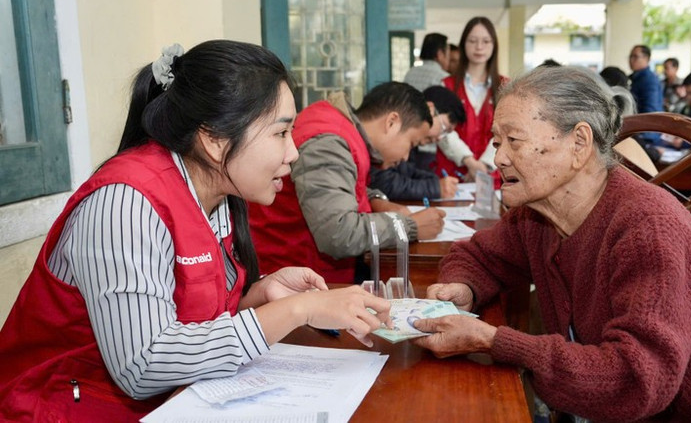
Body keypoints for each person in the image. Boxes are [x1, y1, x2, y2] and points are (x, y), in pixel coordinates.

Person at [0, 41, 392, 421]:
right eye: (280, 133)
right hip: (54, 409)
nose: (293, 152)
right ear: (215, 140)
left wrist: (257, 295)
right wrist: (296, 310)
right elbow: (143, 365)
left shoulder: (216, 193)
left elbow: (183, 317)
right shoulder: (124, 202)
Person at [413, 66, 691, 421]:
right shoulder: (538, 214)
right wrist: (462, 287)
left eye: (513, 140)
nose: (499, 158)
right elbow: (478, 256)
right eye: (497, 142)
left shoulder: (648, 228)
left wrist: (496, 341)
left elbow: (637, 378)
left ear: (579, 143)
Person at [248, 82, 445, 284]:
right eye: (411, 144)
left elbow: (343, 185)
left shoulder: (338, 126)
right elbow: (338, 233)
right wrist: (409, 227)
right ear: (392, 122)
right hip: (291, 279)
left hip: (309, 269)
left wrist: (376, 200)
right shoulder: (328, 143)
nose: (406, 157)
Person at [438, 16, 508, 180]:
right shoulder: (446, 85)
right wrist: (469, 162)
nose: (479, 47)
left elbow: (508, 130)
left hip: (493, 175)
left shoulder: (506, 86)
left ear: (494, 46)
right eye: (472, 41)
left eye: (485, 41)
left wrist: (483, 166)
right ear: (463, 45)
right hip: (454, 175)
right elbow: (441, 130)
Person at [370, 86, 466, 201]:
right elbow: (382, 182)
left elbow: (406, 172)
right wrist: (435, 187)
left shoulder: (412, 145)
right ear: (430, 110)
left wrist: (435, 181)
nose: (440, 138)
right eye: (444, 128)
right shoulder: (396, 134)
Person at [628, 44, 663, 113]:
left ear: (646, 59)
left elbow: (650, 111)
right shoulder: (634, 77)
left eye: (635, 56)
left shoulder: (649, 80)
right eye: (630, 56)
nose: (631, 60)